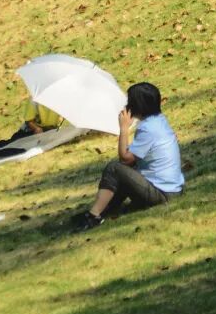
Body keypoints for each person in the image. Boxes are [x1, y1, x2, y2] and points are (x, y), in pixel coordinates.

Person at [73, 81, 184, 231]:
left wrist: (124, 128)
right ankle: (102, 210)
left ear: (137, 105)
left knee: (114, 169)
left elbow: (125, 159)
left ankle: (94, 216)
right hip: (172, 189)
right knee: (124, 173)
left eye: (129, 101)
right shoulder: (158, 120)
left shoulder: (148, 128)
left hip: (162, 194)